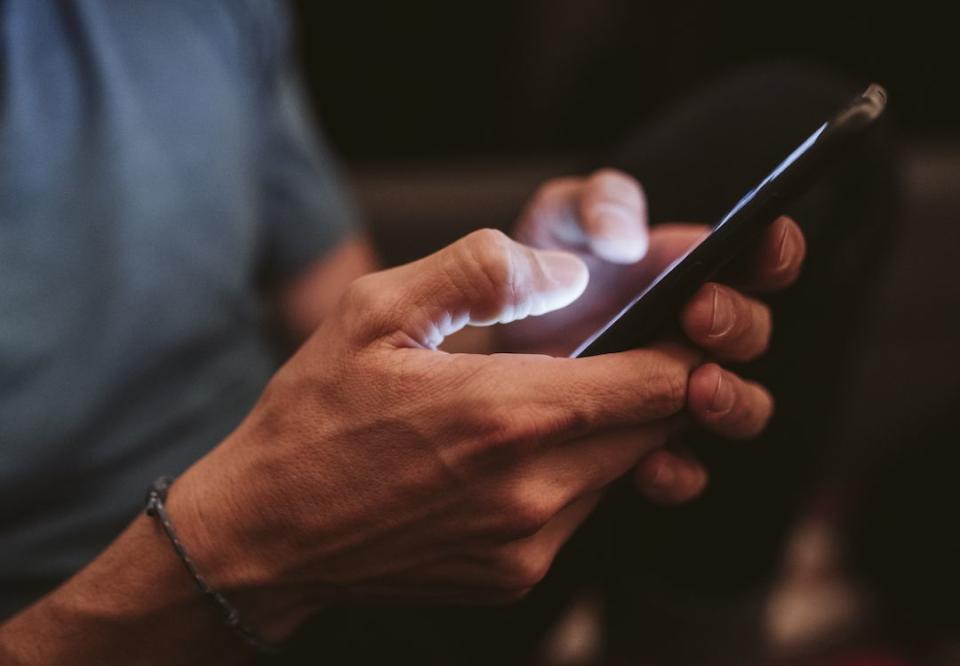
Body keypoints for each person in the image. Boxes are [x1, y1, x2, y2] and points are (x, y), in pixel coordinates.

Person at [0, 2, 892, 665]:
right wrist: (249, 546)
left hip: (345, 553)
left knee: (788, 130)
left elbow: (341, 309)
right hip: (106, 623)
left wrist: (526, 333)